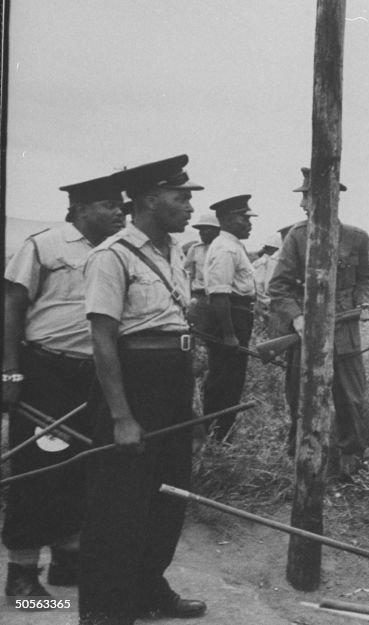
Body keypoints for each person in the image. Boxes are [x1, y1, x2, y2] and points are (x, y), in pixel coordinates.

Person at [80, 154, 207, 623]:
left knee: (169, 497)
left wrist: (188, 399)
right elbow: (102, 339)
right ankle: (104, 611)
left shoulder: (174, 251)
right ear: (151, 199)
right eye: (182, 197)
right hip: (134, 389)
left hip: (172, 386)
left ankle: (148, 588)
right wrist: (121, 416)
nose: (190, 206)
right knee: (119, 506)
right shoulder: (111, 256)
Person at [2, 172, 125, 604]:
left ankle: (68, 558)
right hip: (45, 374)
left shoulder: (119, 251)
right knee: (39, 471)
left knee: (81, 467)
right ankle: (20, 574)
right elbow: (12, 306)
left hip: (92, 377)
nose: (119, 212)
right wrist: (10, 372)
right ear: (80, 209)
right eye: (109, 204)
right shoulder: (45, 245)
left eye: (121, 204)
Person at [268, 167, 369, 478]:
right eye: (303, 198)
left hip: (345, 334)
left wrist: (364, 303)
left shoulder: (358, 238)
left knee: (351, 399)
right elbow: (279, 287)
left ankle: (350, 461)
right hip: (306, 334)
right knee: (300, 399)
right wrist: (298, 318)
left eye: (308, 197)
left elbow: (364, 282)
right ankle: (299, 459)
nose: (302, 205)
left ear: (331, 200)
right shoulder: (297, 237)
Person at [202, 195, 258, 442]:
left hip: (238, 315)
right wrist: (228, 333)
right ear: (226, 219)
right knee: (225, 380)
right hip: (230, 316)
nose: (249, 223)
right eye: (243, 218)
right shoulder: (225, 248)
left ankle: (221, 433)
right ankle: (217, 434)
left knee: (231, 379)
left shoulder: (234, 246)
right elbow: (220, 295)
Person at [252, 233, 281, 322]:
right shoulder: (264, 262)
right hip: (266, 303)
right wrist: (267, 302)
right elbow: (259, 283)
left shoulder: (268, 261)